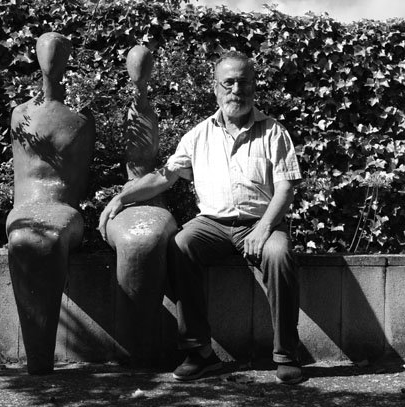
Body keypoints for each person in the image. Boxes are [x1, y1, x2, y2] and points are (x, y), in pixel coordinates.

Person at [99, 50, 303, 384]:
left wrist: (264, 227)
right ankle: (200, 352)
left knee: (279, 254)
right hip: (212, 224)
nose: (236, 90)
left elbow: (285, 189)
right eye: (228, 83)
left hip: (261, 221)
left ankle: (287, 355)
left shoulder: (273, 131)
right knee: (180, 245)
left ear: (254, 86)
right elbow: (164, 177)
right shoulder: (198, 135)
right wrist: (123, 197)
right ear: (215, 88)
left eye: (243, 82)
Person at [6, 32, 95, 374]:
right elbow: (20, 177)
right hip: (25, 207)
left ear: (68, 59)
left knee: (48, 237)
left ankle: (40, 360)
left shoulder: (81, 121)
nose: (51, 58)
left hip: (63, 208)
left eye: (58, 52)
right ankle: (38, 360)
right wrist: (23, 212)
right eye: (45, 51)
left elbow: (77, 184)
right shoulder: (20, 115)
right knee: (24, 237)